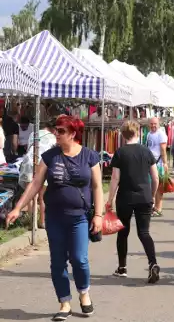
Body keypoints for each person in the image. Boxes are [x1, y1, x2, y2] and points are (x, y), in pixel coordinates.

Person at [6, 115, 103, 321]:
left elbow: (96, 187)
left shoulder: (89, 156)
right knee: (57, 262)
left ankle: (84, 293)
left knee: (79, 259)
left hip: (80, 217)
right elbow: (35, 184)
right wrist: (18, 208)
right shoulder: (50, 156)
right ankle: (64, 302)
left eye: (61, 131)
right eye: (56, 130)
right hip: (55, 218)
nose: (56, 134)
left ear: (73, 134)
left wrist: (99, 215)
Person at [106, 121, 161, 284]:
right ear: (138, 133)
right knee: (144, 232)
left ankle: (122, 267)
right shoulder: (146, 152)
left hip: (125, 197)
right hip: (144, 197)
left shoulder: (120, 152)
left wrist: (110, 199)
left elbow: (115, 178)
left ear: (123, 135)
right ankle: (153, 263)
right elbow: (155, 177)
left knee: (123, 232)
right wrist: (151, 195)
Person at [19, 119, 57, 228]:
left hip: (28, 162)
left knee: (30, 194)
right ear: (54, 129)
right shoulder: (54, 138)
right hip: (43, 164)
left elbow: (28, 148)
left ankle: (32, 223)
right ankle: (42, 222)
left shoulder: (33, 134)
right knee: (42, 196)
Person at [146, 117, 168, 217]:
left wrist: (165, 163)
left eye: (155, 124)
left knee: (159, 187)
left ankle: (159, 208)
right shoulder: (149, 134)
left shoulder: (161, 134)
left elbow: (163, 149)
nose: (153, 126)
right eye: (151, 124)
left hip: (158, 163)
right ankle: (153, 207)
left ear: (158, 124)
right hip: (150, 162)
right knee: (151, 185)